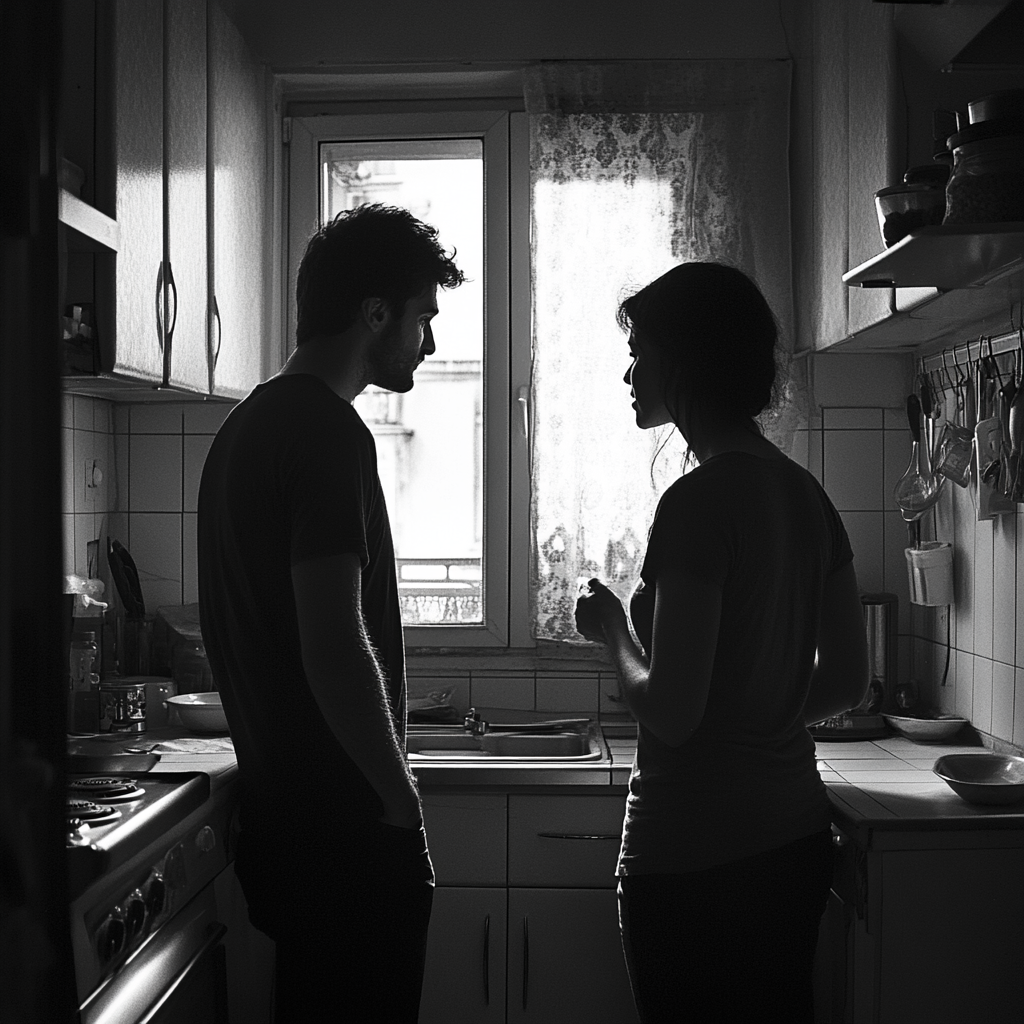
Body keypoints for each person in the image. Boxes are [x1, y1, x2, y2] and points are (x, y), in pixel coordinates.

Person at [574, 262, 869, 1024]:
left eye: (641, 350)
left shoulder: (698, 504)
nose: (631, 372)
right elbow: (845, 682)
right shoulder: (808, 496)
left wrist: (612, 631)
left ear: (686, 359)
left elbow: (672, 713)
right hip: (793, 849)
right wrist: (757, 718)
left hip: (692, 861)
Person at [197, 203, 464, 1023]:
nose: (428, 341)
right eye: (422, 317)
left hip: (289, 826)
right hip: (344, 831)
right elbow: (333, 640)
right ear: (374, 313)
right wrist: (397, 794)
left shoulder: (246, 426)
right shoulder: (325, 431)